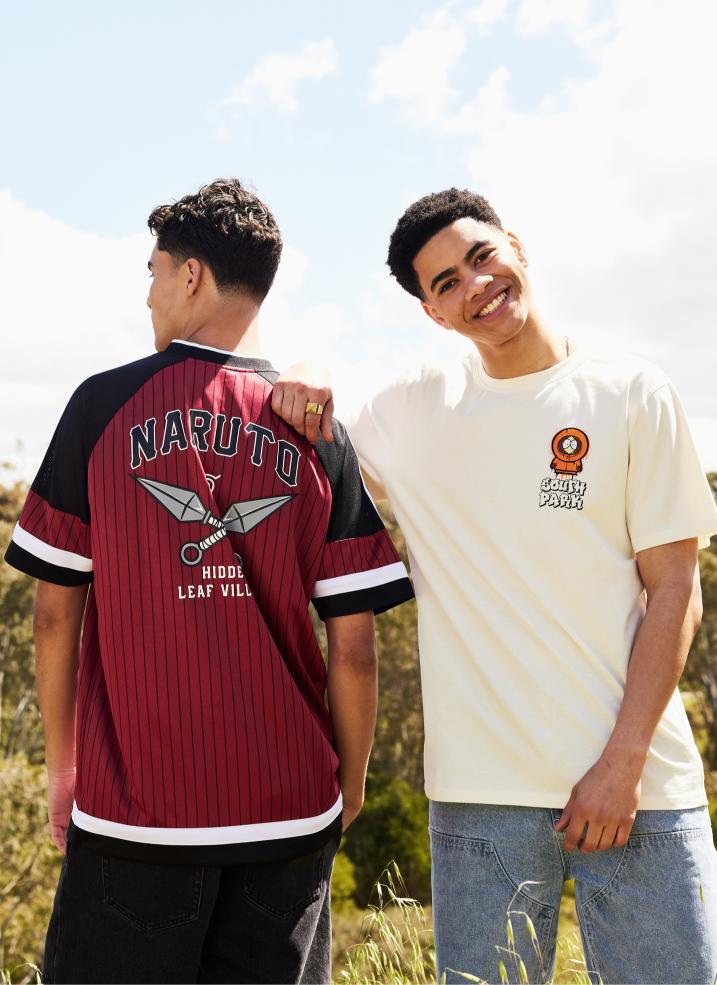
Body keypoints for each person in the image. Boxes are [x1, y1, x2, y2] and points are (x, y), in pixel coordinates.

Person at [271, 187, 717, 984]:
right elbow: (314, 427)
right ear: (434, 313)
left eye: (481, 257)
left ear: (515, 246)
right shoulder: (413, 410)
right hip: (480, 797)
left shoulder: (630, 391)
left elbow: (676, 590)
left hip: (641, 788)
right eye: (446, 282)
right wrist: (306, 368)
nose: (475, 284)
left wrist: (621, 764)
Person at [4, 177, 413, 985]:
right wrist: (351, 780)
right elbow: (355, 647)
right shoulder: (314, 428)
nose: (148, 295)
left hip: (135, 821)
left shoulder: (101, 406)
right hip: (288, 813)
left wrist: (63, 769)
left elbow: (54, 617)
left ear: (190, 275)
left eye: (153, 272)